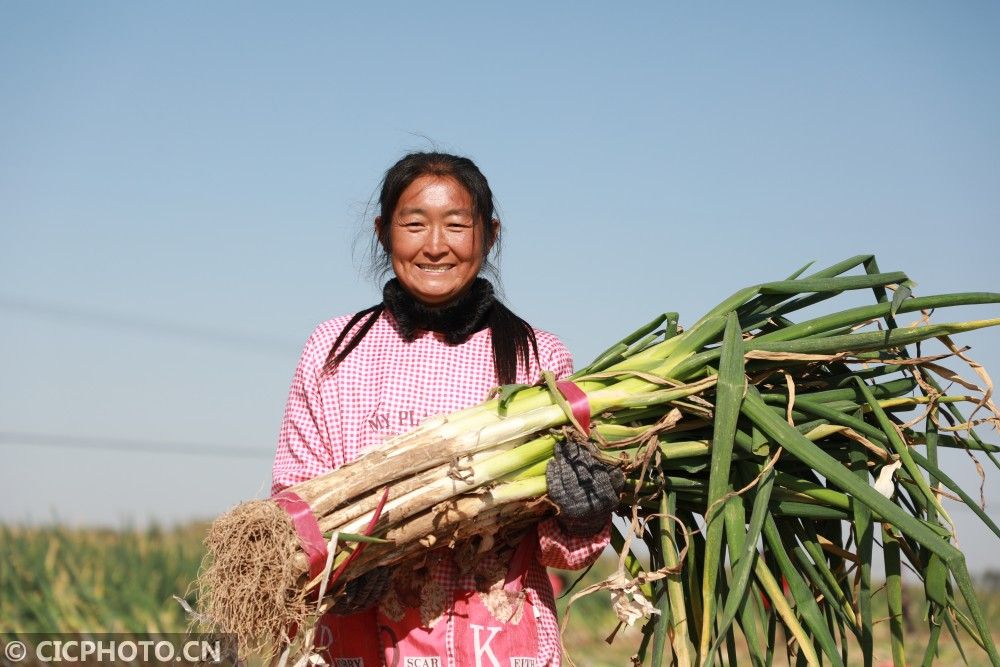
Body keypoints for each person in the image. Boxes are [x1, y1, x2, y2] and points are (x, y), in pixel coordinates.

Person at [271, 152, 622, 667]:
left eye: (456, 225)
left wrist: (584, 511)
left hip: (500, 648)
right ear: (383, 232)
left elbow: (555, 552)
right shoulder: (333, 351)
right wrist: (338, 568)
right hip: (361, 644)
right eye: (414, 225)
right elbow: (294, 502)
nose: (435, 246)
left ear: (490, 234)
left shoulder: (540, 359)